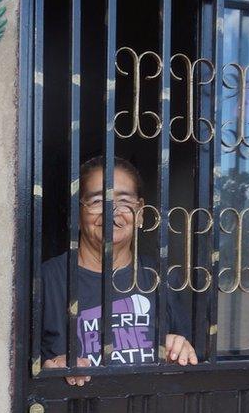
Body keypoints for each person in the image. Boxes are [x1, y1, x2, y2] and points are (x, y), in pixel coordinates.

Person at [41, 156, 199, 386]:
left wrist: (181, 350)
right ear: (77, 213)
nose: (111, 212)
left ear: (141, 213)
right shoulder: (46, 279)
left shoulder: (162, 278)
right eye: (97, 202)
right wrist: (53, 367)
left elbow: (191, 365)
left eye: (124, 202)